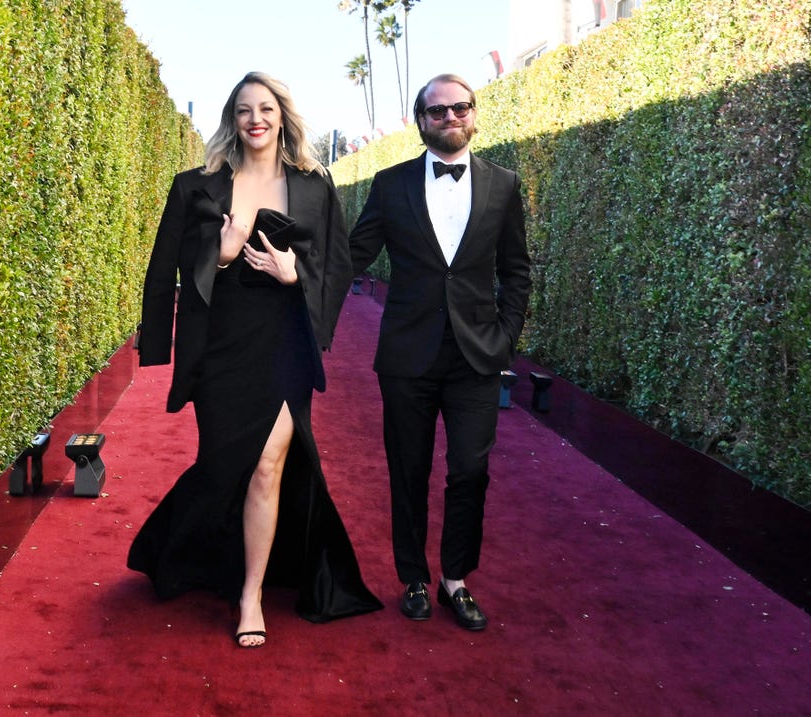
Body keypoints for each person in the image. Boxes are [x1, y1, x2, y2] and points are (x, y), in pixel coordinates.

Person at [128, 72, 382, 648]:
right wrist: (218, 257)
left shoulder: (315, 186)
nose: (255, 119)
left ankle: (251, 594)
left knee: (269, 463)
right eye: (243, 110)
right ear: (232, 119)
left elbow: (338, 266)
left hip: (286, 338)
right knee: (224, 462)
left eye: (265, 108)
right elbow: (164, 265)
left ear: (282, 115)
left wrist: (296, 275)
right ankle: (179, 546)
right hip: (222, 343)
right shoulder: (197, 185)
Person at [347, 74, 532, 631]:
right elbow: (353, 255)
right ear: (421, 120)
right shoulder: (390, 183)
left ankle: (456, 577)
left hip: (476, 356)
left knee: (470, 470)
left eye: (460, 108)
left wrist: (504, 339)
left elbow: (516, 272)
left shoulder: (503, 185)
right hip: (407, 355)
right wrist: (296, 275)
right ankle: (413, 578)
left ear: (474, 115)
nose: (450, 118)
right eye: (438, 111)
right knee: (408, 470)